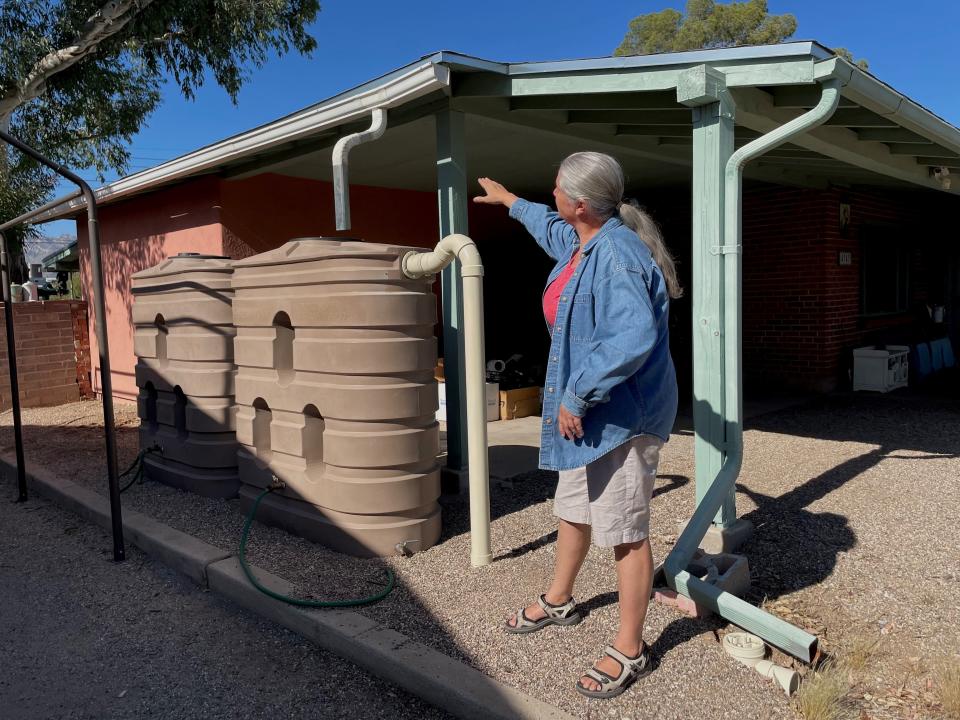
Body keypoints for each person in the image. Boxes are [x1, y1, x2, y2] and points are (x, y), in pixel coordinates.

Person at [473, 151, 680, 700]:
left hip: (620, 414)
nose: (552, 195)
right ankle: (561, 599)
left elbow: (630, 339)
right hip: (586, 412)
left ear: (581, 203)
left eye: (557, 188)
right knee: (572, 508)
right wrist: (511, 203)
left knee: (624, 530)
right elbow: (548, 225)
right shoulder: (581, 241)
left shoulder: (616, 256)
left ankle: (631, 648)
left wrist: (577, 395)